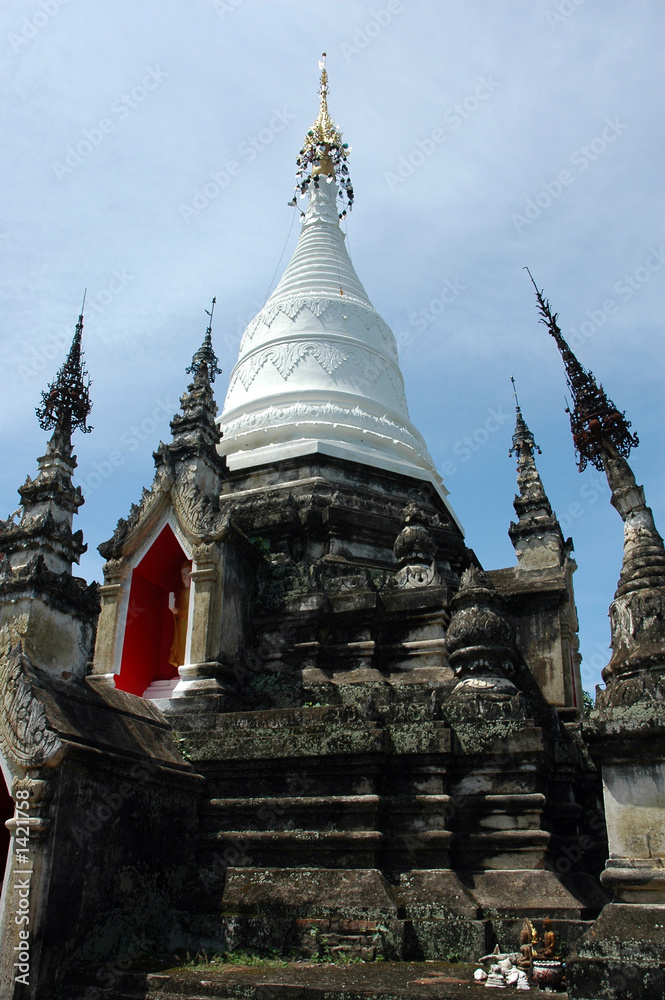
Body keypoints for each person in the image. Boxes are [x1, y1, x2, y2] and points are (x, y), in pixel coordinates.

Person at [168, 562, 191, 669]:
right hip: (181, 624)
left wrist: (175, 609)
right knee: (181, 646)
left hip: (190, 622)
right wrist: (173, 608)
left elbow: (186, 611)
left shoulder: (192, 591)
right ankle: (181, 667)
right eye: (183, 575)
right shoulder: (181, 592)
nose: (185, 577)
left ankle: (185, 667)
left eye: (188, 573)